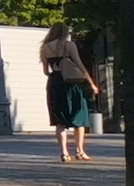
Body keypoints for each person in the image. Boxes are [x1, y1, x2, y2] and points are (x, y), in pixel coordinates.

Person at [41, 24, 95, 161]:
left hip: (55, 83)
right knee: (79, 117)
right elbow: (79, 64)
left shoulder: (45, 48)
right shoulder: (69, 45)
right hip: (71, 84)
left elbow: (46, 71)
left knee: (60, 121)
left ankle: (64, 153)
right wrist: (91, 83)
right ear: (64, 32)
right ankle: (80, 151)